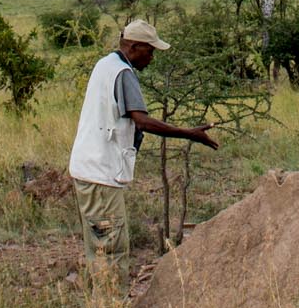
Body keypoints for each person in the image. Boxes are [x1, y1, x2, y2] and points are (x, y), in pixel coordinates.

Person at [68, 19, 218, 275]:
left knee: (99, 247)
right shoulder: (123, 73)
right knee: (111, 249)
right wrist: (189, 133)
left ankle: (101, 307)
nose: (151, 58)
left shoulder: (104, 64)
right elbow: (142, 121)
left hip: (87, 168)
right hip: (101, 173)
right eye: (150, 51)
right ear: (135, 47)